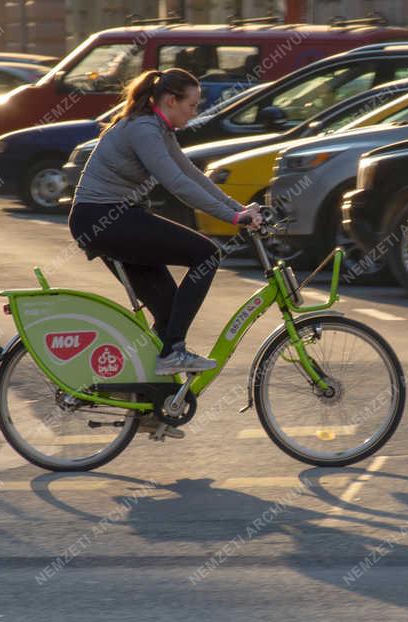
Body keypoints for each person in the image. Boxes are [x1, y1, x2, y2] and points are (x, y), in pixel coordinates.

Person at [69, 68, 261, 438]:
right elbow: (175, 185)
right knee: (206, 254)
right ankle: (174, 352)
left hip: (114, 218)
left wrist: (240, 209)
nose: (196, 111)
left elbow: (192, 174)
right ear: (169, 101)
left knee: (169, 310)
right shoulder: (144, 129)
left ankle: (148, 407)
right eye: (191, 104)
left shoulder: (158, 128)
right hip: (105, 219)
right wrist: (232, 217)